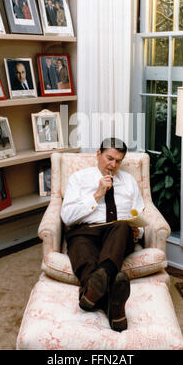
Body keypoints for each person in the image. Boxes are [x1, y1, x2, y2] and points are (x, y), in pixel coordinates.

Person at [61, 138, 145, 332]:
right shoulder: (78, 179)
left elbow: (139, 214)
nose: (113, 165)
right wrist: (97, 194)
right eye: (109, 158)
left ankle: (93, 290)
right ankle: (113, 305)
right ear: (98, 154)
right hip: (85, 231)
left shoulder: (129, 182)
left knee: (122, 227)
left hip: (118, 234)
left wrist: (137, 231)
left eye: (118, 161)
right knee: (81, 247)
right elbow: (67, 217)